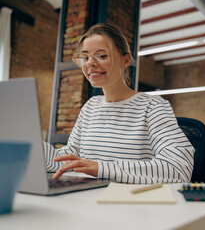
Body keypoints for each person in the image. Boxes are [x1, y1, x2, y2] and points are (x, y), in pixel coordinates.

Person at [43, 23, 195, 184]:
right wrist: (29, 147)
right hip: (87, 197)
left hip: (131, 202)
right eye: (85, 57)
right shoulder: (90, 107)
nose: (90, 63)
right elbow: (68, 159)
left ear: (126, 60)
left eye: (102, 56)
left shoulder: (153, 107)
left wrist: (100, 168)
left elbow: (178, 167)